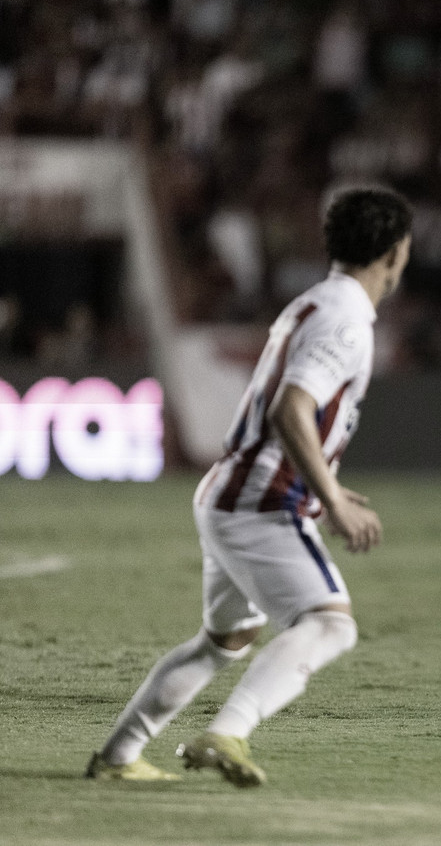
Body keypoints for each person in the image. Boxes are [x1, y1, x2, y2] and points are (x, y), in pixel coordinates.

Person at [86, 187, 414, 783]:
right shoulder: (346, 321)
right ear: (395, 253)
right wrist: (332, 497)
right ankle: (227, 733)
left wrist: (327, 484)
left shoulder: (315, 303)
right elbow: (293, 410)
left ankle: (118, 756)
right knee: (330, 624)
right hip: (263, 498)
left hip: (231, 491)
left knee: (226, 639)